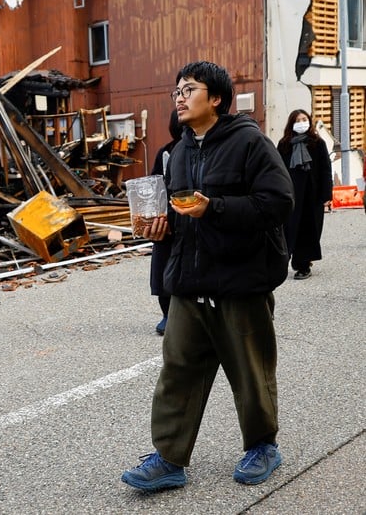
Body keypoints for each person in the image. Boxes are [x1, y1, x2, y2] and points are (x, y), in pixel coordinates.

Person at [121, 61, 294, 491]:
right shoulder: (178, 151)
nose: (179, 97)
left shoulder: (249, 142)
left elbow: (278, 202)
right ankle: (169, 458)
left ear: (215, 98)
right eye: (176, 90)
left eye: (189, 89)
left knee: (251, 372)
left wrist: (214, 207)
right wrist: (161, 228)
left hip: (240, 280)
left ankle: (262, 447)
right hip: (190, 281)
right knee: (177, 371)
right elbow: (181, 217)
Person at [275, 110, 333, 280]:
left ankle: (303, 264)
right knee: (289, 229)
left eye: (304, 119)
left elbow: (325, 170)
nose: (301, 122)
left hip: (312, 196)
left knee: (309, 229)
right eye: (298, 120)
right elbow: (278, 170)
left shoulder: (317, 143)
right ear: (291, 123)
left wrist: (326, 195)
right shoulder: (284, 144)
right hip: (291, 195)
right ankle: (284, 261)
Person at [149, 111, 183, 335]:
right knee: (162, 264)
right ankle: (166, 313)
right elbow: (154, 185)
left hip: (192, 217)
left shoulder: (207, 150)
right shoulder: (166, 151)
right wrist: (155, 215)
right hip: (166, 218)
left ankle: (186, 314)